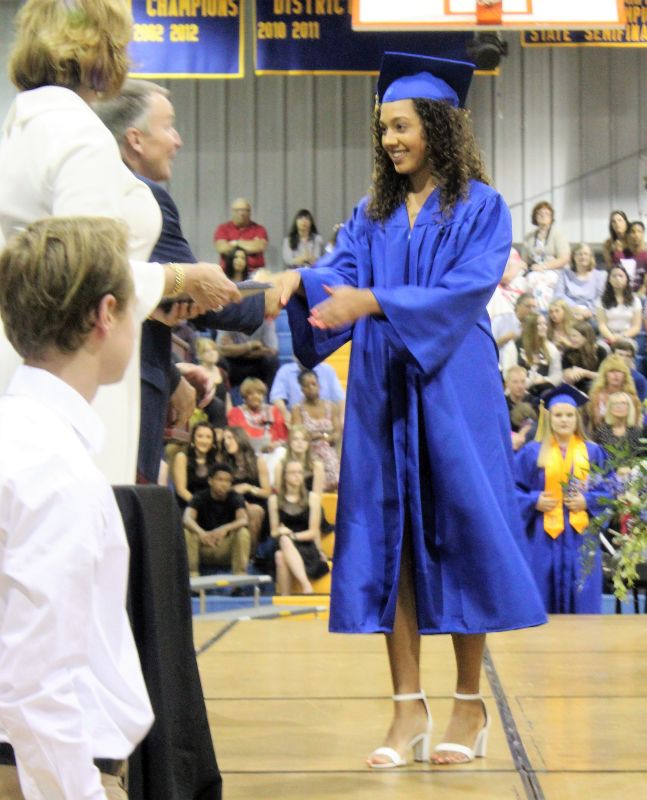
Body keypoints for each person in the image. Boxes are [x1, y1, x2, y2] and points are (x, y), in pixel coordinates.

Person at [273, 51, 546, 768]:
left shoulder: (481, 207)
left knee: (461, 533)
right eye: (383, 128)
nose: (389, 139)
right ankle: (406, 710)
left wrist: (374, 301)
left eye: (401, 126)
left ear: (437, 126)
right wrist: (300, 281)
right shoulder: (372, 214)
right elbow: (339, 273)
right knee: (388, 539)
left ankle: (468, 704)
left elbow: (465, 289)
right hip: (383, 388)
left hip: (454, 385)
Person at [0, 0, 240, 484]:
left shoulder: (23, 124)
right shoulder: (79, 133)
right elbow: (84, 272)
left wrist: (152, 309)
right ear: (102, 50)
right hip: (74, 363)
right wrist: (180, 279)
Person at [0, 217, 152, 798]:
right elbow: (36, 681)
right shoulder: (53, 467)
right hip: (41, 775)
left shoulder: (24, 437)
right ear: (105, 314)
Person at [94, 79, 275, 483]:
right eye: (168, 126)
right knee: (127, 506)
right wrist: (270, 293)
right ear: (135, 139)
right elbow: (198, 296)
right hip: (128, 390)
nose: (177, 140)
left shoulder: (96, 187)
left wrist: (173, 373)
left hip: (115, 378)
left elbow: (140, 301)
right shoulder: (143, 197)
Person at [514, 385, 606, 613]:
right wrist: (534, 500)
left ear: (577, 418)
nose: (564, 420)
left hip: (581, 536)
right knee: (541, 597)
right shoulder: (532, 452)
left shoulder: (593, 452)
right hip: (542, 536)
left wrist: (588, 501)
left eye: (569, 415)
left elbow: (609, 492)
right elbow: (510, 490)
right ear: (549, 418)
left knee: (582, 599)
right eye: (558, 415)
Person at [269, 461, 329, 595]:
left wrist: (292, 536)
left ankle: (294, 592)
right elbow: (273, 532)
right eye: (293, 472)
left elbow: (313, 532)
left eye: (300, 473)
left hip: (305, 544)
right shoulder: (274, 500)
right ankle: (300, 589)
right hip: (282, 543)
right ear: (285, 476)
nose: (297, 476)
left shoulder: (313, 498)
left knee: (281, 553)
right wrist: (280, 531)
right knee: (281, 547)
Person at [183, 463, 251, 578]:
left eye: (227, 481)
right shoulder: (200, 496)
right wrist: (201, 533)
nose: (223, 484)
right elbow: (186, 518)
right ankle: (192, 576)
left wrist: (224, 528)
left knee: (243, 532)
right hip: (203, 545)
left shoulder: (235, 497)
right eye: (219, 479)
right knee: (187, 532)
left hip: (224, 546)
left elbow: (243, 520)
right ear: (210, 481)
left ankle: (240, 577)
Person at [291, 370, 341, 491]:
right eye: (307, 386)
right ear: (302, 389)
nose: (311, 388)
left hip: (330, 446)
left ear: (319, 385)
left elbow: (337, 432)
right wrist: (315, 437)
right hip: (308, 450)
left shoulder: (332, 407)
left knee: (331, 455)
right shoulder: (297, 409)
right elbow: (298, 433)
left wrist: (328, 438)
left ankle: (335, 485)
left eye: (314, 384)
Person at [221, 426, 271, 549]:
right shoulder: (224, 462)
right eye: (224, 439)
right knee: (245, 510)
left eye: (230, 438)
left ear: (240, 438)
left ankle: (250, 553)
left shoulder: (258, 461)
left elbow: (267, 492)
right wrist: (236, 494)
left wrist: (248, 488)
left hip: (255, 501)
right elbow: (221, 490)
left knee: (255, 511)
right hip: (231, 501)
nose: (226, 442)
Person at [522, 201, 571, 311]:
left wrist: (544, 267)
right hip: (534, 272)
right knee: (524, 282)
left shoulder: (558, 235)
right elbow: (524, 261)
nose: (543, 215)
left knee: (540, 288)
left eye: (546, 213)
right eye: (540, 213)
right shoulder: (529, 237)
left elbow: (564, 258)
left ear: (551, 217)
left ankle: (542, 313)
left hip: (554, 272)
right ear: (535, 217)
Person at [500, 312, 562, 398]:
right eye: (539, 324)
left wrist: (544, 379)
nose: (544, 327)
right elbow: (507, 374)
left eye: (545, 324)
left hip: (544, 390)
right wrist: (530, 382)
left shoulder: (550, 348)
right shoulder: (513, 347)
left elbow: (557, 375)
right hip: (519, 391)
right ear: (530, 327)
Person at [269, 356, 345, 425]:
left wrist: (342, 419)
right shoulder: (285, 371)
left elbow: (340, 398)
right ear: (294, 356)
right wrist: (286, 415)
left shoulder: (327, 370)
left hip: (327, 420)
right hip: (296, 418)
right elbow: (276, 398)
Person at [587, 354, 643, 430]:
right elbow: (596, 424)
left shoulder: (632, 398)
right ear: (605, 375)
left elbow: (634, 425)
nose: (616, 375)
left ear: (625, 375)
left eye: (619, 371)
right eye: (611, 371)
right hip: (602, 434)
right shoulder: (597, 396)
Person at [553, 243, 606, 322]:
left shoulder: (600, 275)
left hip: (591, 315)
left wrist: (589, 312)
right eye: (580, 254)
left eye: (586, 254)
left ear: (591, 257)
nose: (583, 257)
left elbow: (600, 297)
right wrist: (574, 308)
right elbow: (558, 294)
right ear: (574, 257)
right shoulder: (564, 274)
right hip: (568, 312)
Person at [172, 421, 219, 510]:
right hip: (186, 507)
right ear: (193, 440)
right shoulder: (182, 458)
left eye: (208, 437)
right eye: (200, 436)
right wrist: (201, 507)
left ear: (213, 442)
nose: (204, 441)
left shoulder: (216, 463)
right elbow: (181, 490)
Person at [214, 197, 268, 271]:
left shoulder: (259, 229)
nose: (242, 213)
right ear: (233, 211)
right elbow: (222, 248)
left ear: (250, 212)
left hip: (254, 271)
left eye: (245, 210)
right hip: (229, 272)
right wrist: (250, 245)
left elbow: (259, 246)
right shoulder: (223, 228)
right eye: (238, 210)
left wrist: (235, 243)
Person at [596, 265, 642, 347]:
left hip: (627, 337)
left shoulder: (635, 300)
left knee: (625, 348)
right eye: (614, 276)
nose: (617, 279)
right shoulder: (601, 300)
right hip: (607, 337)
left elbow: (636, 327)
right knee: (602, 348)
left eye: (621, 276)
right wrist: (612, 338)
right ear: (609, 279)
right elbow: (602, 325)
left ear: (627, 279)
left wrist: (622, 336)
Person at [593, 391, 645, 458]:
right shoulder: (601, 432)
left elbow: (642, 457)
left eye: (623, 403)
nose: (619, 406)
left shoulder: (638, 432)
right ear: (609, 408)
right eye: (615, 403)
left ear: (629, 407)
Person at [561, 321, 607, 394]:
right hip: (576, 388)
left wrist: (585, 373)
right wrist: (570, 375)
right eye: (570, 336)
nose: (571, 338)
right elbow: (566, 376)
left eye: (575, 336)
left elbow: (604, 376)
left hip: (596, 386)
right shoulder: (569, 352)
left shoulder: (600, 351)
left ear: (585, 337)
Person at [612, 220, 647, 290]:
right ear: (628, 235)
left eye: (639, 231)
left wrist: (639, 295)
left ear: (643, 234)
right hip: (624, 293)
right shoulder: (619, 255)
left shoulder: (645, 256)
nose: (636, 235)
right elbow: (615, 278)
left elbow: (645, 286)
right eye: (633, 232)